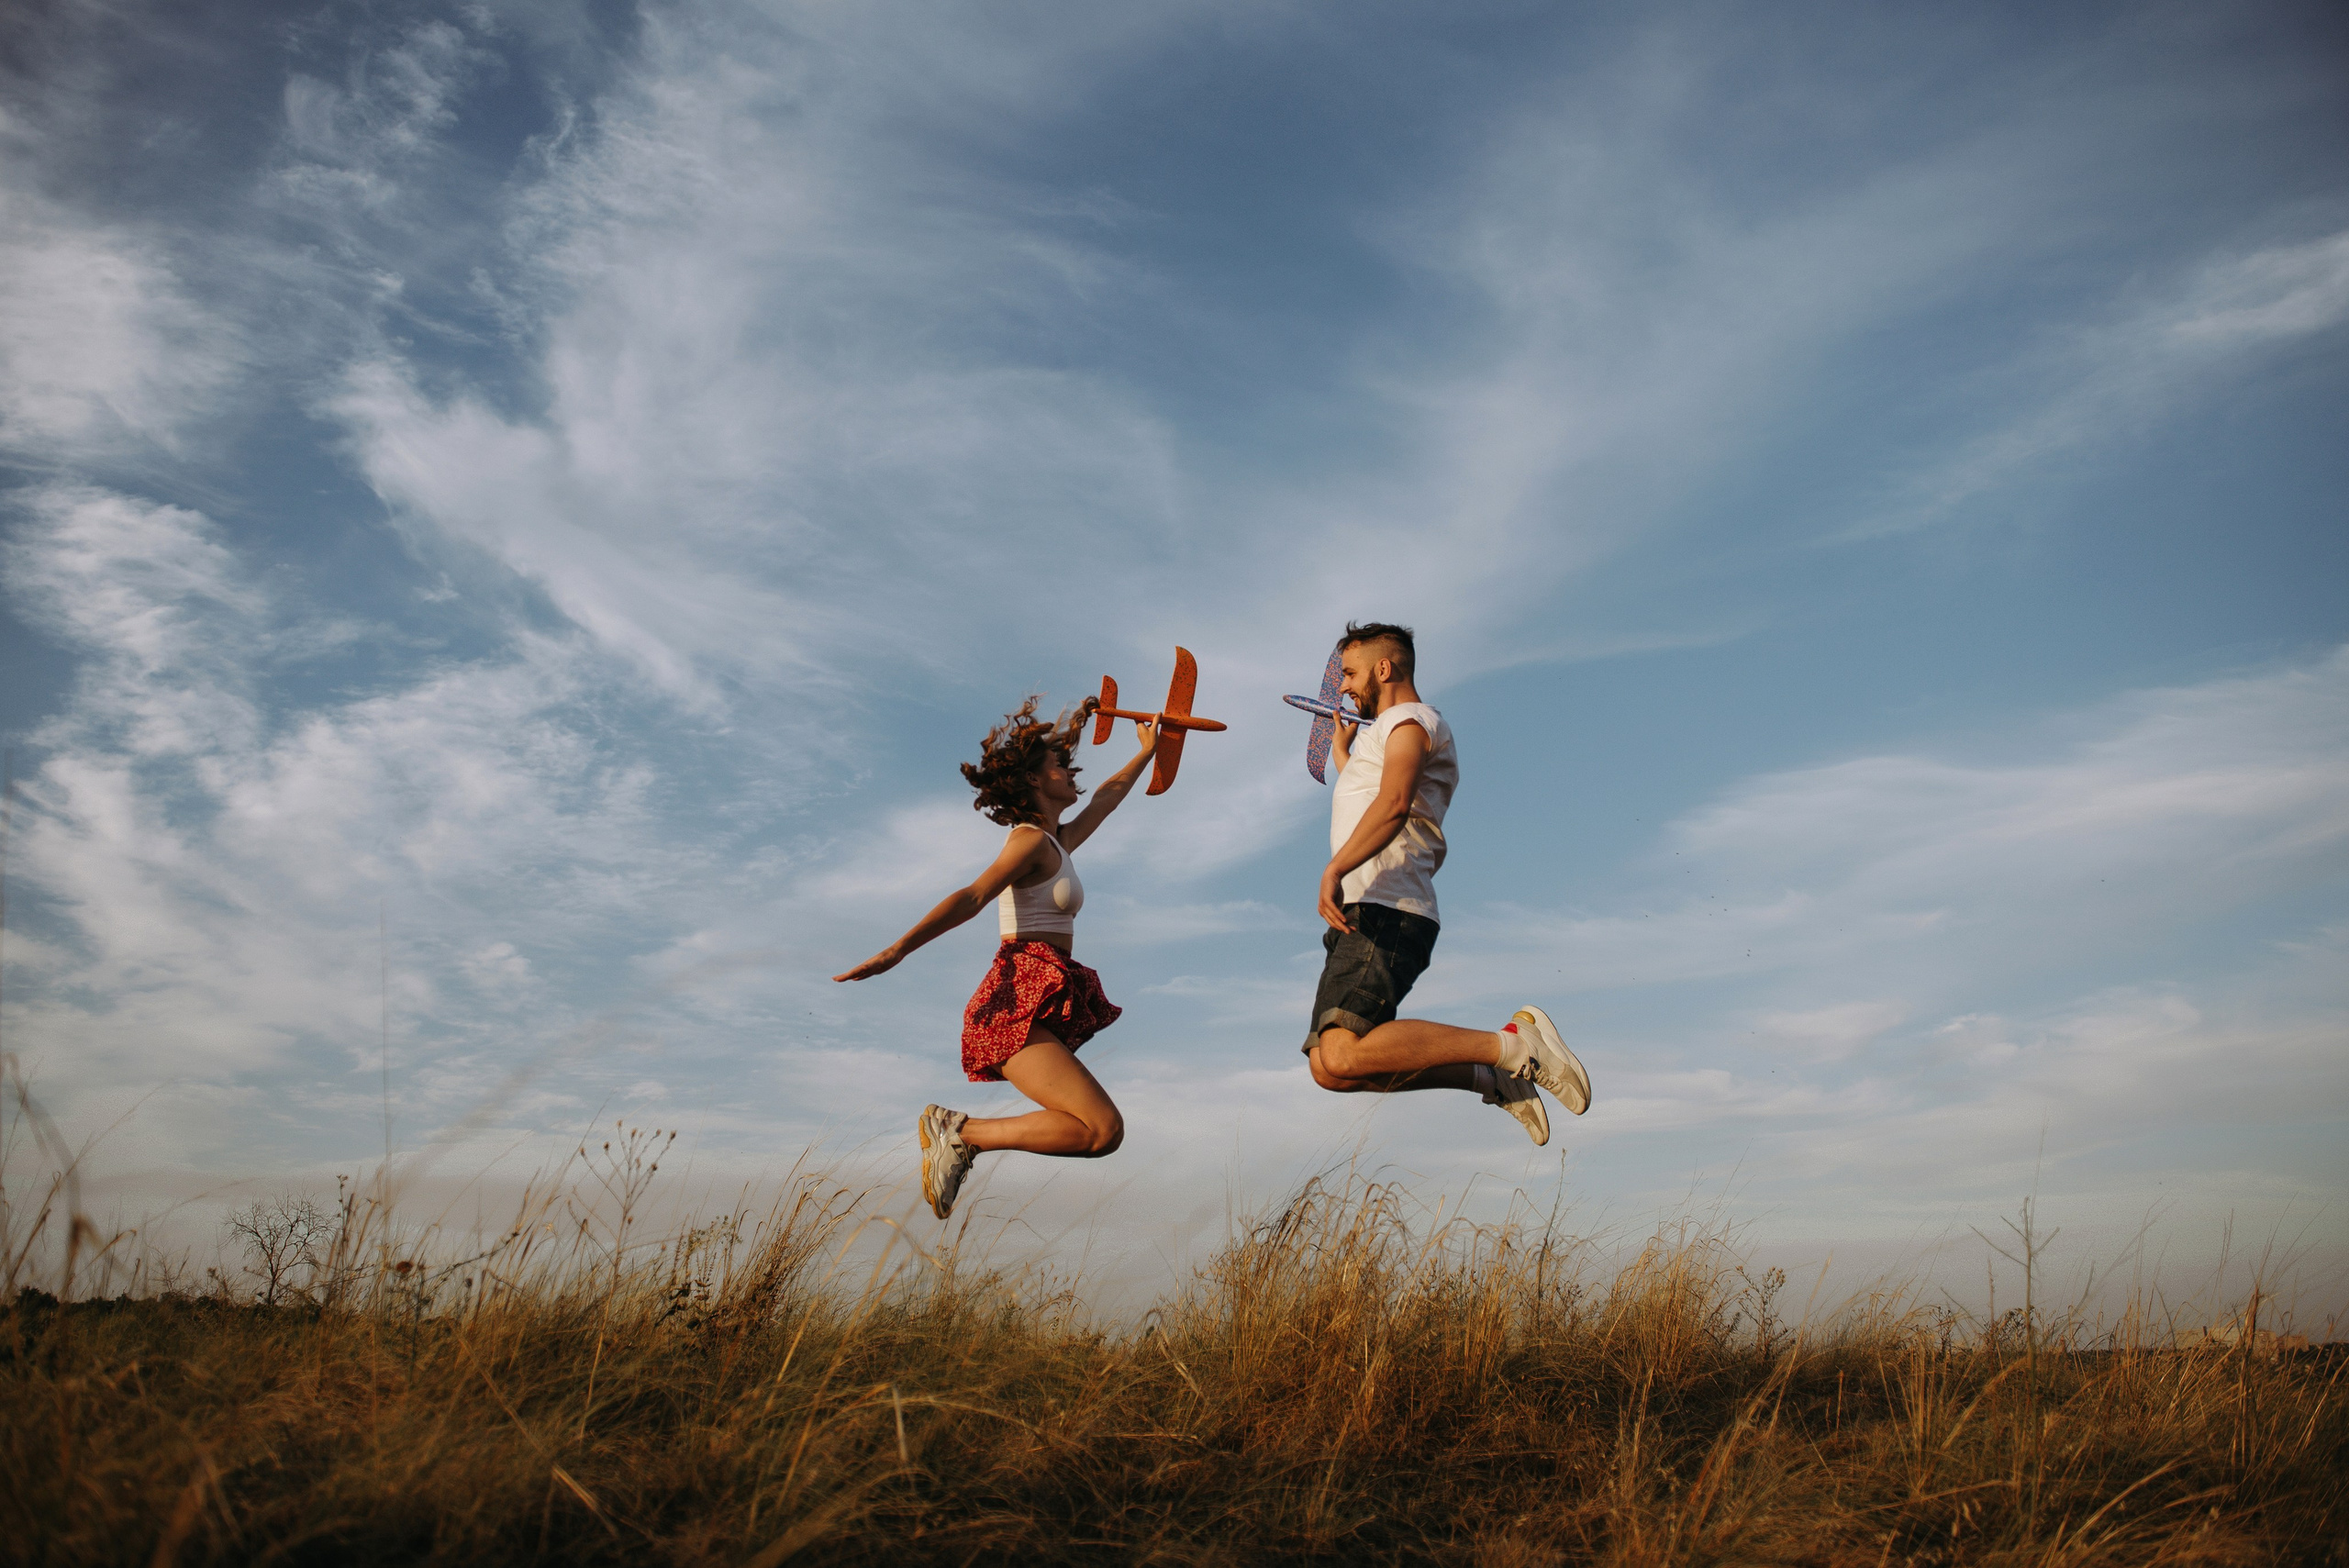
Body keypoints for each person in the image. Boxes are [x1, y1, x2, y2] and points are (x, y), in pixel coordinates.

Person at [835, 697, 1161, 1218]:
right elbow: (973, 895)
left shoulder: (1059, 841)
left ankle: (963, 1135)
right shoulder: (1030, 841)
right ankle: (960, 1133)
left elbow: (1106, 798)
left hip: (1035, 992)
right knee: (1102, 1129)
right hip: (1014, 1000)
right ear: (1035, 781)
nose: (1070, 773)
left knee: (1101, 1133)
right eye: (1058, 766)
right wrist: (898, 949)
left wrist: (1147, 753)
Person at [1303, 622, 1592, 1143]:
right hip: (1361, 910)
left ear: (1384, 668)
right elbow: (1374, 793)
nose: (1342, 687)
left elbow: (1392, 805)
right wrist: (1345, 757)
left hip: (1385, 907)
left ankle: (1516, 1044)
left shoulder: (1412, 724)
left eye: (1349, 673)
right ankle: (1491, 1076)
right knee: (1330, 1068)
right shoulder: (1386, 734)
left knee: (1343, 1051)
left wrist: (1333, 870)